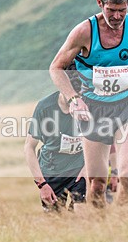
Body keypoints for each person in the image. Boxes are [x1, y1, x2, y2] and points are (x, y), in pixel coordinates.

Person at [49, 0, 128, 208]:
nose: (117, 17)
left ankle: (125, 229)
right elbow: (56, 67)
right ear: (100, 3)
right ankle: (100, 227)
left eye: (122, 10)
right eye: (111, 10)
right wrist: (74, 99)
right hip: (93, 108)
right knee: (97, 183)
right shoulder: (84, 32)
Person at [24, 70, 86, 212]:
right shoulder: (45, 108)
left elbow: (101, 142)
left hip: (79, 170)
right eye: (71, 97)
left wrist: (87, 168)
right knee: (55, 222)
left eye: (79, 97)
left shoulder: (87, 104)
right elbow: (29, 147)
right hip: (52, 171)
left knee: (82, 214)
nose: (75, 103)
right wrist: (42, 184)